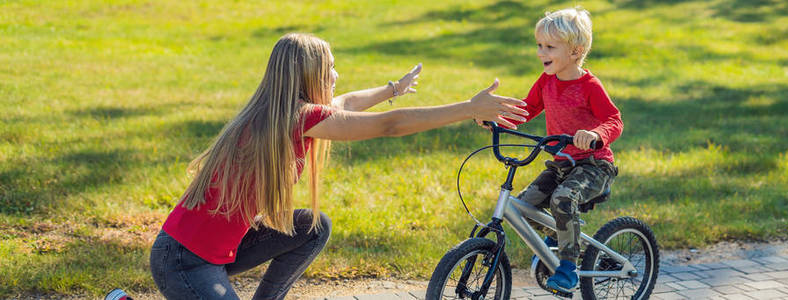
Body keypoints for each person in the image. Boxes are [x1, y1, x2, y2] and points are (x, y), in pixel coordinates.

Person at [142, 33, 527, 300]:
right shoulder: (297, 118)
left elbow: (346, 103)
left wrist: (392, 89)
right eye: (331, 67)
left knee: (313, 227)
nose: (336, 75)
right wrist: (468, 109)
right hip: (184, 260)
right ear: (308, 75)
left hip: (212, 251)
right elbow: (389, 126)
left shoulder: (278, 113)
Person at [476, 7, 622, 294]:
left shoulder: (589, 86)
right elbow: (526, 109)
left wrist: (594, 134)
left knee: (563, 199)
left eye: (550, 47)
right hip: (563, 163)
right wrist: (495, 118)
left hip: (594, 165)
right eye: (539, 45)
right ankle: (565, 240)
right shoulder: (546, 82)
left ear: (575, 51)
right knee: (523, 210)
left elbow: (614, 121)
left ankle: (568, 267)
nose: (541, 52)